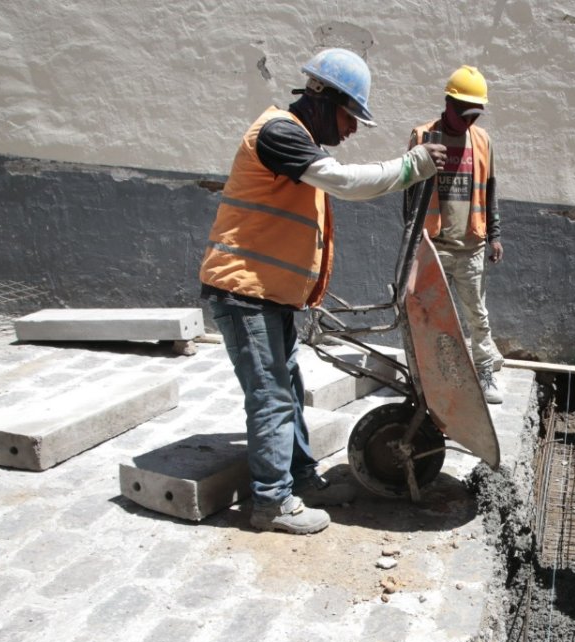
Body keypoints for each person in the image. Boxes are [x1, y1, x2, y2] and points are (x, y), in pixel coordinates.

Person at [199, 48, 447, 535]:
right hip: (242, 293)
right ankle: (271, 503)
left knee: (287, 390)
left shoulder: (299, 142)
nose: (352, 128)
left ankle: (301, 479)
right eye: (350, 115)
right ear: (322, 98)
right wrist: (408, 168)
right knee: (270, 397)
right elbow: (344, 183)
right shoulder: (279, 134)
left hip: (267, 296)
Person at [406, 65, 505, 404]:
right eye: (464, 114)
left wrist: (494, 234)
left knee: (477, 314)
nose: (469, 122)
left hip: (471, 246)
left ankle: (484, 370)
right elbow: (409, 193)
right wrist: (411, 242)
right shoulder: (423, 137)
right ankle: (434, 375)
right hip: (433, 245)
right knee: (430, 314)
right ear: (448, 103)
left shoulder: (482, 140)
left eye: (475, 115)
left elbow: (490, 188)